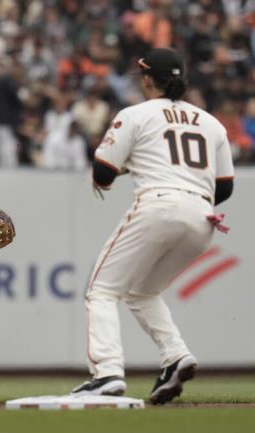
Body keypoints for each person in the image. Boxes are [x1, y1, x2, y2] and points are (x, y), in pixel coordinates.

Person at [71, 48, 234, 405]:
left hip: (159, 204)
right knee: (142, 292)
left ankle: (107, 373)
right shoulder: (212, 123)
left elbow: (102, 173)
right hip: (203, 217)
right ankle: (175, 355)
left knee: (101, 290)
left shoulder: (135, 114)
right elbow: (224, 187)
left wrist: (124, 169)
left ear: (147, 79)